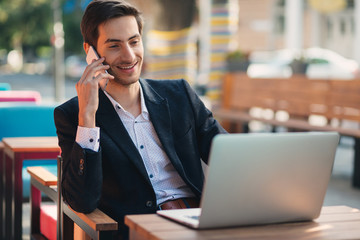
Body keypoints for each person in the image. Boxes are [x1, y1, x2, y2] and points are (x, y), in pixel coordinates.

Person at [54, 0, 226, 238]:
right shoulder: (73, 115)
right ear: (90, 52)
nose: (129, 55)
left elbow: (227, 154)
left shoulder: (179, 94)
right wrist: (88, 117)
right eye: (114, 46)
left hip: (197, 220)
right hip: (135, 231)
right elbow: (82, 201)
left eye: (134, 42)